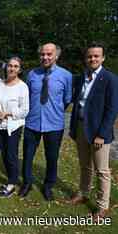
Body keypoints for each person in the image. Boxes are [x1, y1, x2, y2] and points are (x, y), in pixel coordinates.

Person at [69, 42, 118, 220]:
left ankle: (102, 206)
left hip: (99, 132)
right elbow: (77, 103)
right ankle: (83, 193)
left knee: (102, 170)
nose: (93, 59)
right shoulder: (83, 77)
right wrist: (74, 128)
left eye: (96, 56)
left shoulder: (110, 79)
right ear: (86, 58)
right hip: (81, 126)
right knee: (85, 165)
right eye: (90, 56)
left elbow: (112, 110)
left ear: (103, 58)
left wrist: (102, 134)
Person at [19, 43, 72, 201]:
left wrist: (53, 110)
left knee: (52, 157)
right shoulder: (32, 74)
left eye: (49, 54)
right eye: (43, 54)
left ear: (57, 56)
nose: (45, 57)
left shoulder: (66, 76)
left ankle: (48, 186)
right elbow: (26, 96)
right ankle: (27, 183)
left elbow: (67, 99)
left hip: (54, 125)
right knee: (28, 156)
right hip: (32, 123)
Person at [0, 57, 29, 197]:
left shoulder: (22, 87)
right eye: (10, 66)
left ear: (19, 69)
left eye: (15, 66)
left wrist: (7, 113)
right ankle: (10, 179)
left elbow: (25, 111)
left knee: (11, 155)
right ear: (6, 67)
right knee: (3, 154)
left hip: (13, 126)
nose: (12, 68)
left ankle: (12, 184)